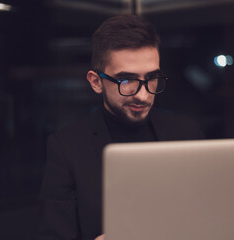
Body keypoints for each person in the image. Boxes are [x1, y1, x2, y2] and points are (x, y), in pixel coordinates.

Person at [38, 14, 204, 240]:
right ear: (96, 81)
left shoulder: (186, 134)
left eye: (152, 78)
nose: (143, 95)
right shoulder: (66, 147)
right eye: (126, 80)